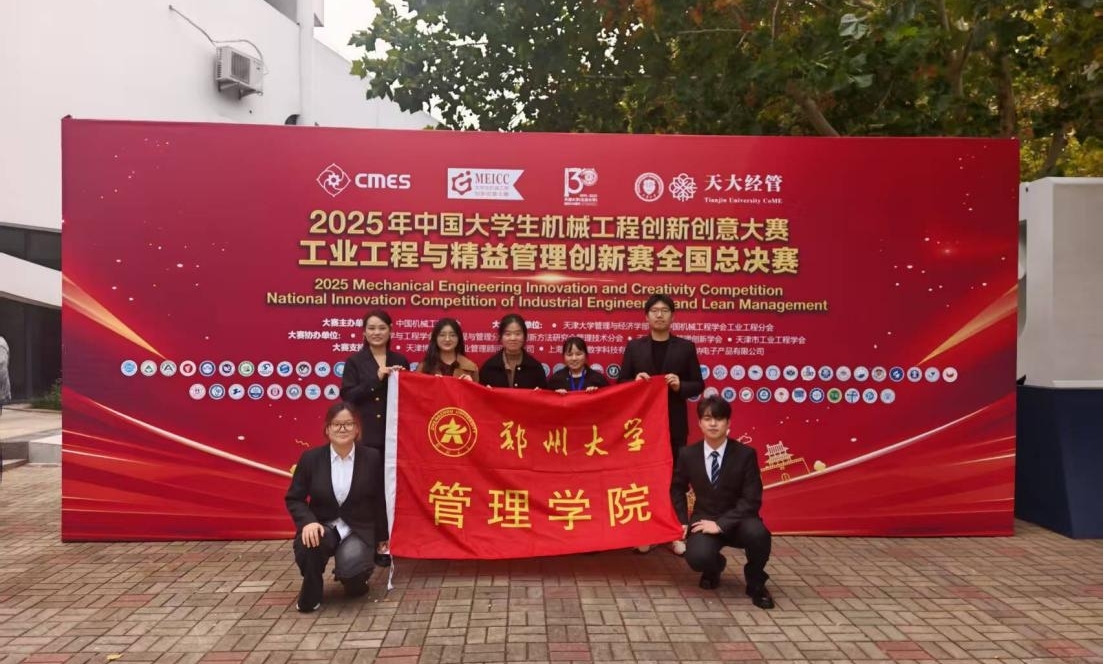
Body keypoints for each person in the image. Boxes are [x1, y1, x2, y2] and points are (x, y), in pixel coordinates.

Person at [619, 293, 704, 555]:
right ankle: (648, 532)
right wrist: (635, 383)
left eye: (665, 310)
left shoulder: (685, 347)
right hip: (642, 428)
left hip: (673, 426)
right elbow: (621, 383)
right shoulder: (635, 348)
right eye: (654, 310)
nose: (659, 315)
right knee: (645, 478)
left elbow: (698, 384)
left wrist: (680, 385)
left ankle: (675, 533)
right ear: (646, 316)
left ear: (672, 316)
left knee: (675, 479)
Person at [671, 396, 774, 609]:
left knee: (760, 534)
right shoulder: (688, 454)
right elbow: (677, 488)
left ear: (728, 423)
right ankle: (714, 567)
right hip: (704, 518)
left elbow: (752, 499)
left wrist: (720, 525)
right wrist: (681, 521)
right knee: (697, 557)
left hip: (740, 520)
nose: (713, 424)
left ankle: (756, 583)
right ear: (700, 423)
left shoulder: (745, 454)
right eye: (707, 418)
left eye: (719, 419)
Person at [285, 402, 388, 612]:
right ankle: (311, 594)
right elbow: (294, 498)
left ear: (357, 429)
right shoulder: (311, 459)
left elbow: (379, 499)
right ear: (327, 429)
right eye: (336, 424)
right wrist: (308, 522)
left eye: (348, 424)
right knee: (309, 542)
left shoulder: (371, 457)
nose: (342, 429)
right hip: (323, 525)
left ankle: (355, 580)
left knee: (353, 576)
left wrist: (382, 537)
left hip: (357, 529)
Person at [339, 309, 408, 565]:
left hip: (394, 437)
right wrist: (376, 378)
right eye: (371, 328)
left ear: (391, 330)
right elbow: (348, 396)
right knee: (368, 490)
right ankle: (369, 542)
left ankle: (388, 542)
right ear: (364, 332)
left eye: (382, 328)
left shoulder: (399, 359)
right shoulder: (355, 362)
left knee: (389, 490)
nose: (377, 333)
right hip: (367, 436)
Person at [479, 313, 548, 389]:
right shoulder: (489, 367)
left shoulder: (535, 368)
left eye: (518, 334)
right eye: (508, 334)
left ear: (524, 336)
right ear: (500, 337)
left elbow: (544, 394)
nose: (513, 338)